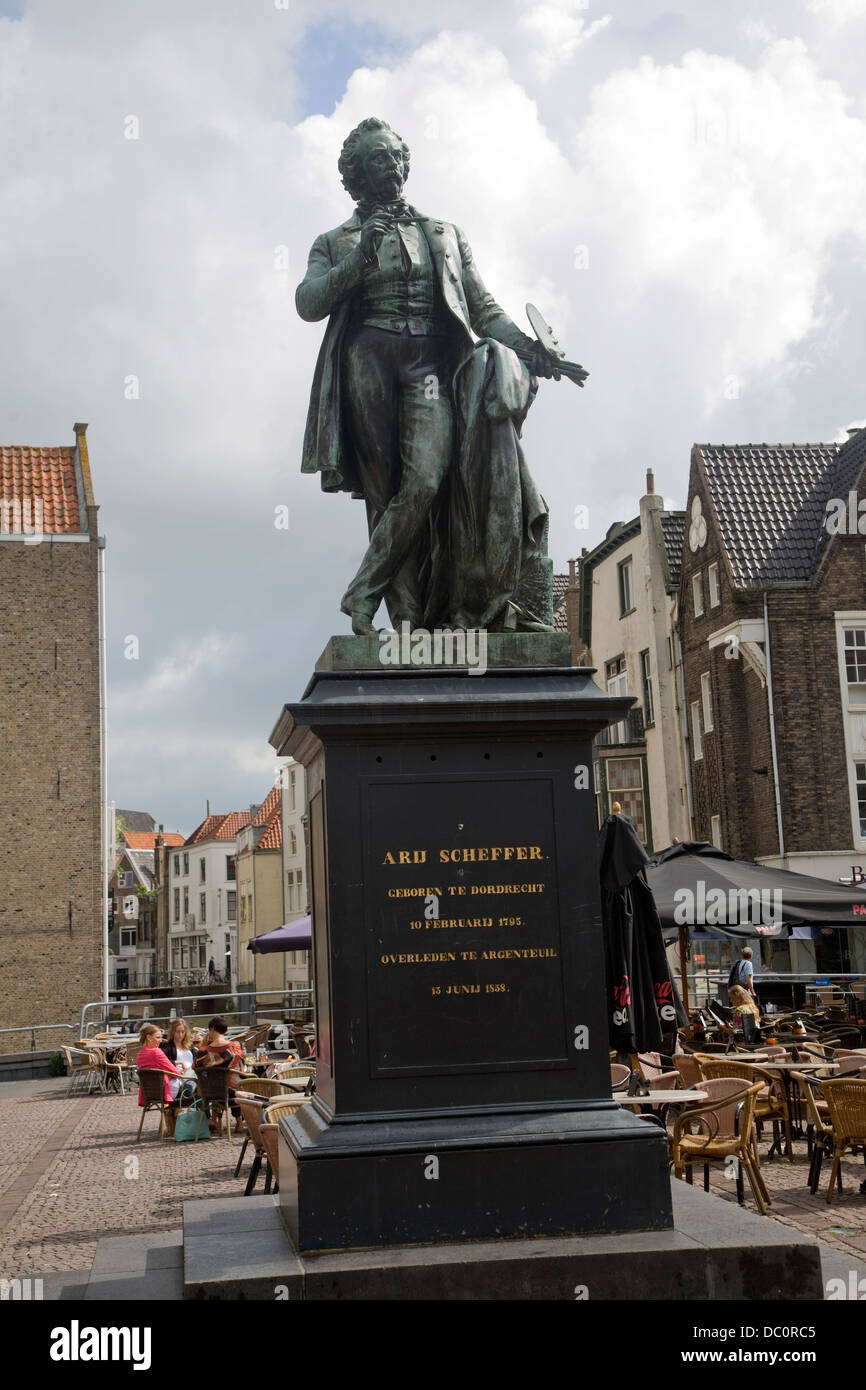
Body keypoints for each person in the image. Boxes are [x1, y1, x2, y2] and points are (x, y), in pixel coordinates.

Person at [296, 117, 580, 634]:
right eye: (377, 157)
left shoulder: (443, 233)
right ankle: (405, 618)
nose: (390, 164)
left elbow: (482, 308)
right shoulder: (334, 241)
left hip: (430, 363)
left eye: (395, 155)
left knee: (427, 478)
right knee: (385, 493)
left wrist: (535, 352)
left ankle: (362, 593)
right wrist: (359, 260)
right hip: (369, 360)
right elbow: (308, 302)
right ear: (356, 173)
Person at [194, 1015, 246, 1133]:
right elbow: (241, 1065)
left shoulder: (204, 1052)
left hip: (211, 1091)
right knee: (234, 1083)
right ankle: (239, 1123)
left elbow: (195, 1067)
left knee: (215, 1084)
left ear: (211, 1029)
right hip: (233, 1090)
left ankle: (213, 1119)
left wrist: (203, 1046)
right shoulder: (235, 1047)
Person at [136, 1023, 184, 1109]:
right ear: (149, 1037)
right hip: (164, 1091)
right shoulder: (156, 1052)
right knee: (194, 1088)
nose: (161, 1040)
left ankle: (171, 1118)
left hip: (148, 1093)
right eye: (158, 1037)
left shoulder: (139, 1055)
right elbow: (176, 1072)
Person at [160, 1018, 198, 1105]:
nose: (180, 1035)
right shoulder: (167, 1047)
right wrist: (179, 1063)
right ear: (173, 1032)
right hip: (178, 1077)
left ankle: (208, 1118)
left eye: (183, 1032)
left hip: (191, 1076)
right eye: (177, 1032)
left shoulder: (189, 1048)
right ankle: (188, 1090)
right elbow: (162, 1062)